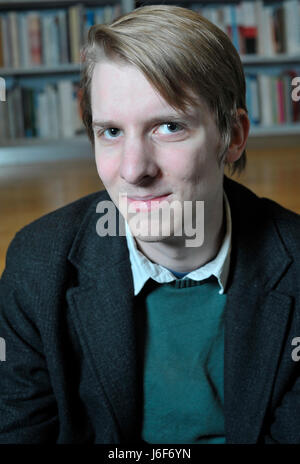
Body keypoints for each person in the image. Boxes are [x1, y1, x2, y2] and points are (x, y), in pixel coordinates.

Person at [0, 5, 300, 444]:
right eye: (112, 132)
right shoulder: (36, 267)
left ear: (233, 136)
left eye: (169, 126)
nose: (134, 169)